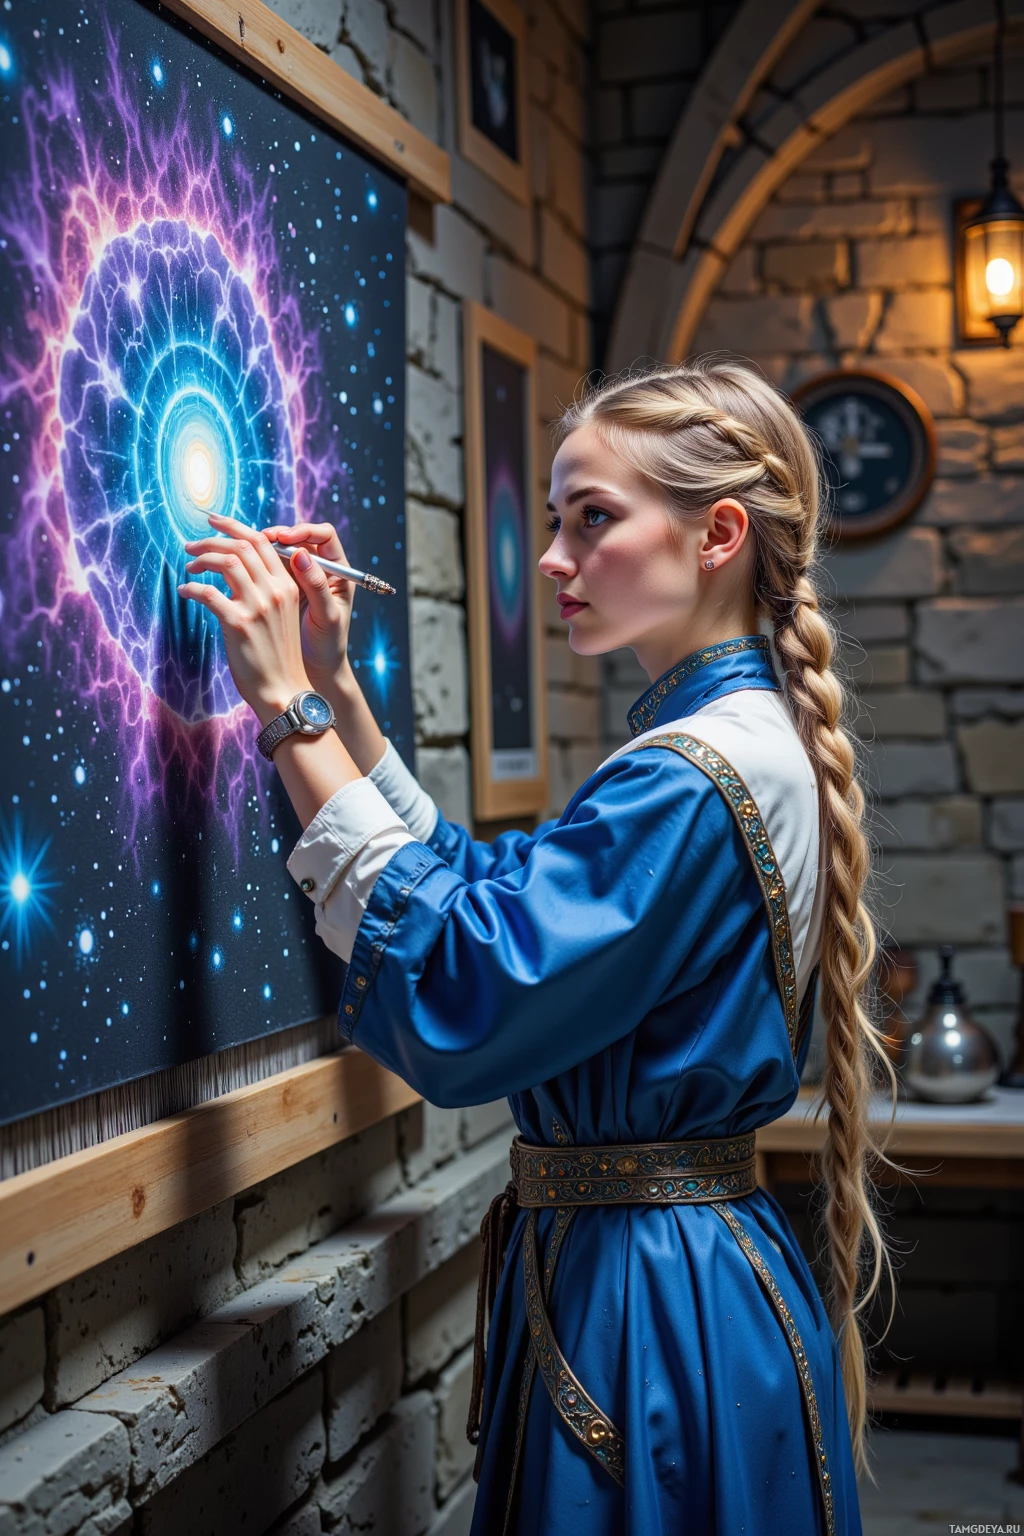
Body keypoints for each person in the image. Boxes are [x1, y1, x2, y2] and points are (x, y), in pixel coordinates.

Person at [178, 358, 897, 1536]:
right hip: (678, 1276)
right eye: (555, 523)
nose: (553, 561)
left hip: (645, 1306)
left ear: (716, 534)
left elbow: (482, 985)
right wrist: (339, 691)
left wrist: (286, 714)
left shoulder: (689, 773)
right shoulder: (730, 739)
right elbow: (509, 905)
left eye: (591, 520)